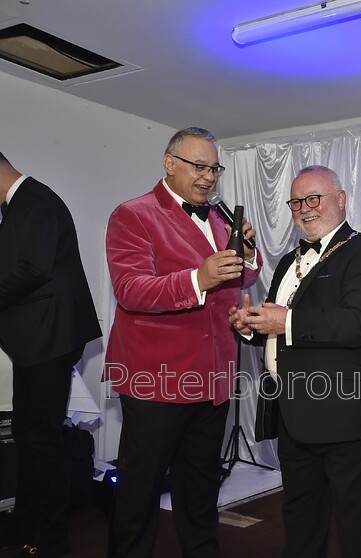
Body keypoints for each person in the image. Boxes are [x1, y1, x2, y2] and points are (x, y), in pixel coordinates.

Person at [104, 127, 262, 557]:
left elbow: (241, 277)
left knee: (200, 487)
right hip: (156, 377)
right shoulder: (133, 214)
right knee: (141, 490)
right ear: (169, 164)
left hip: (212, 377)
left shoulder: (217, 217)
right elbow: (132, 290)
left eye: (214, 168)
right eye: (199, 166)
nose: (209, 176)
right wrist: (198, 278)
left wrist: (247, 251)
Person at [229, 165, 361, 558]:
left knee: (357, 526)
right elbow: (282, 334)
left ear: (341, 199)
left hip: (345, 416)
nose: (304, 208)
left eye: (313, 198)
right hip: (290, 413)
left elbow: (358, 322)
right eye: (296, 201)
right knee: (301, 521)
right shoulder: (287, 262)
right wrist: (250, 327)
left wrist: (283, 320)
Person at [0, 153, 101, 558]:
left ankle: (52, 537)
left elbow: (32, 268)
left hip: (49, 339)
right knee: (28, 434)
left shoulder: (36, 199)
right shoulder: (20, 205)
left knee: (42, 439)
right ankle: (25, 522)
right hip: (34, 341)